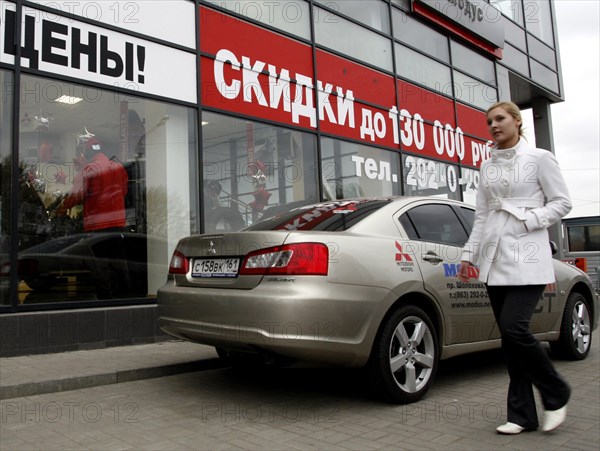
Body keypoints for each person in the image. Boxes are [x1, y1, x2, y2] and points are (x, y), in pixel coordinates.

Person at [458, 101, 572, 435]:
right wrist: (469, 255)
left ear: (517, 121)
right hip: (494, 259)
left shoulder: (540, 158)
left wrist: (530, 219)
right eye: (488, 121)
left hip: (528, 258)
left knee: (515, 327)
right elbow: (481, 217)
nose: (493, 125)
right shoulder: (487, 166)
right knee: (510, 339)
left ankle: (556, 391)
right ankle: (522, 415)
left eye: (500, 119)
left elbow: (562, 202)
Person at [62, 137, 129, 232]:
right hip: (118, 224)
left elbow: (75, 195)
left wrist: (61, 208)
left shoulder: (90, 168)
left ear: (87, 154)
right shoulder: (119, 168)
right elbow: (124, 192)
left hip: (97, 225)